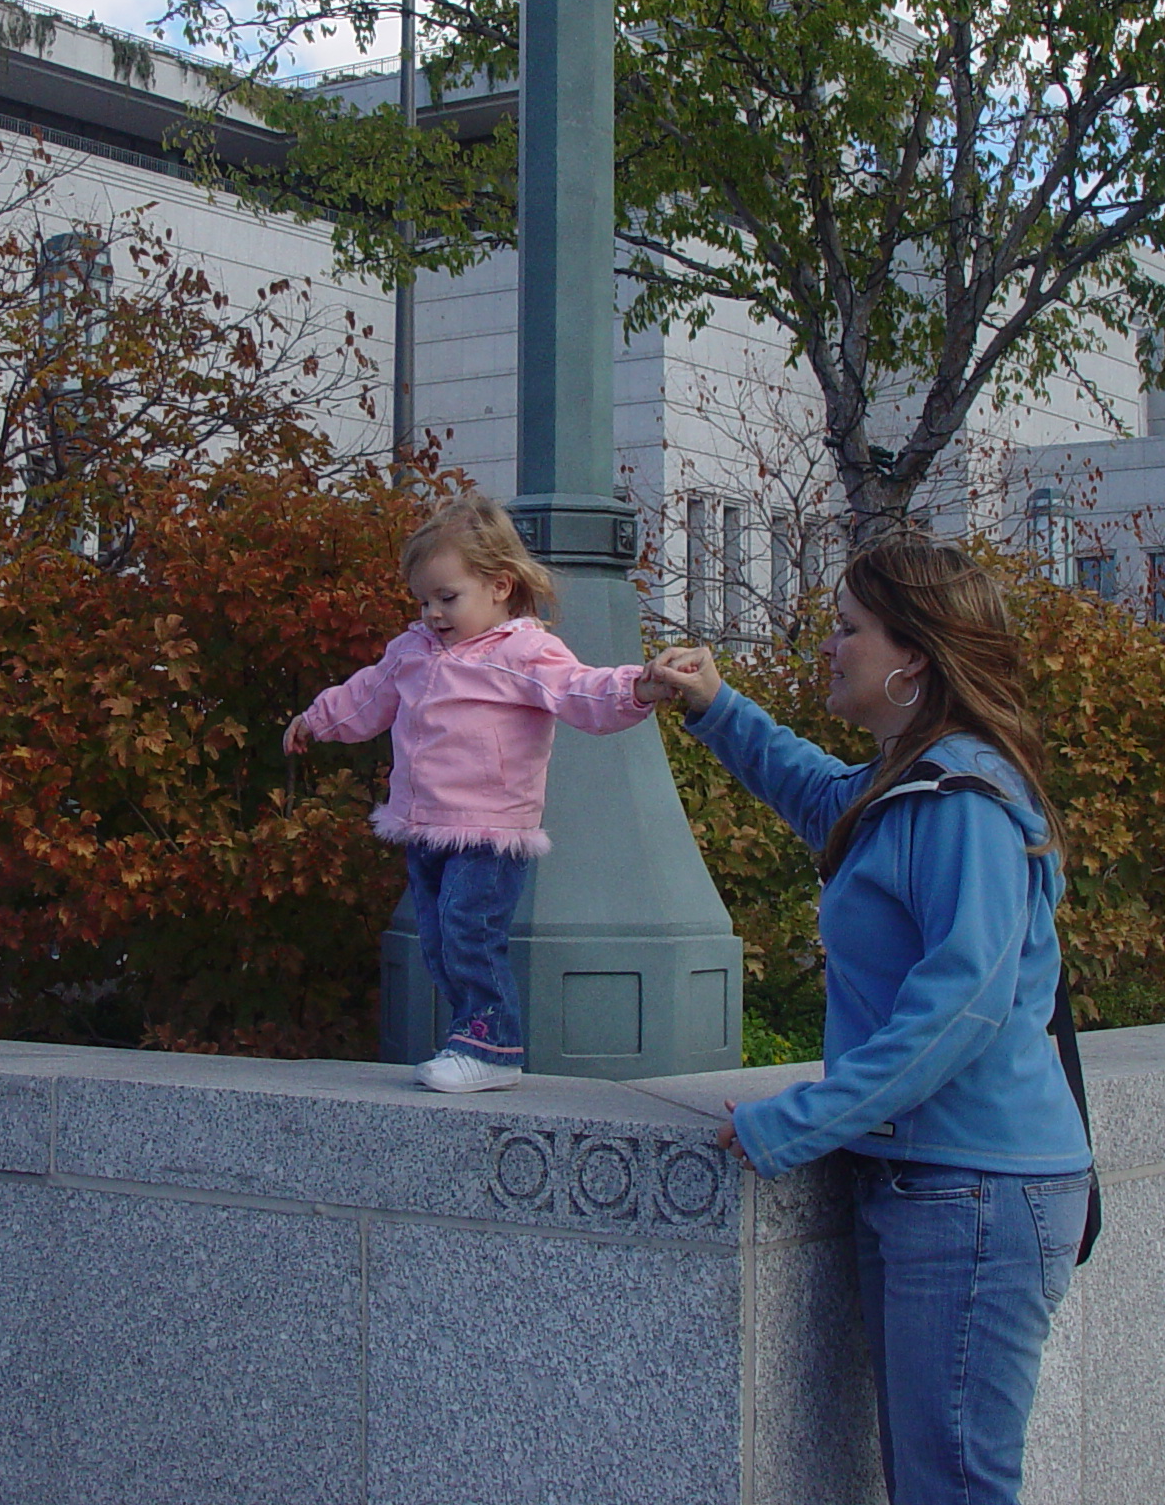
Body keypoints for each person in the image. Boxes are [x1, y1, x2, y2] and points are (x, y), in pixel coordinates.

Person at [642, 532, 1092, 1505]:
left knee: (954, 1490)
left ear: (914, 658)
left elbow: (960, 1008)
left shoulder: (961, 799)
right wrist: (713, 705)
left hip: (972, 1187)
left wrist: (797, 1120)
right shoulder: (907, 784)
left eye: (849, 629)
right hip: (939, 1181)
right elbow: (817, 794)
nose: (830, 647)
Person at [287, 493, 678, 1092]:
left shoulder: (521, 650)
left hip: (492, 828)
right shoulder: (412, 651)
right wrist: (317, 719)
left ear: (499, 586)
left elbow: (580, 691)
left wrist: (638, 687)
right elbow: (366, 697)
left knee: (470, 931)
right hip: (425, 822)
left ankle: (492, 1046)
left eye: (448, 597)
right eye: (423, 600)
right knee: (441, 941)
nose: (433, 613)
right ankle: (470, 1037)